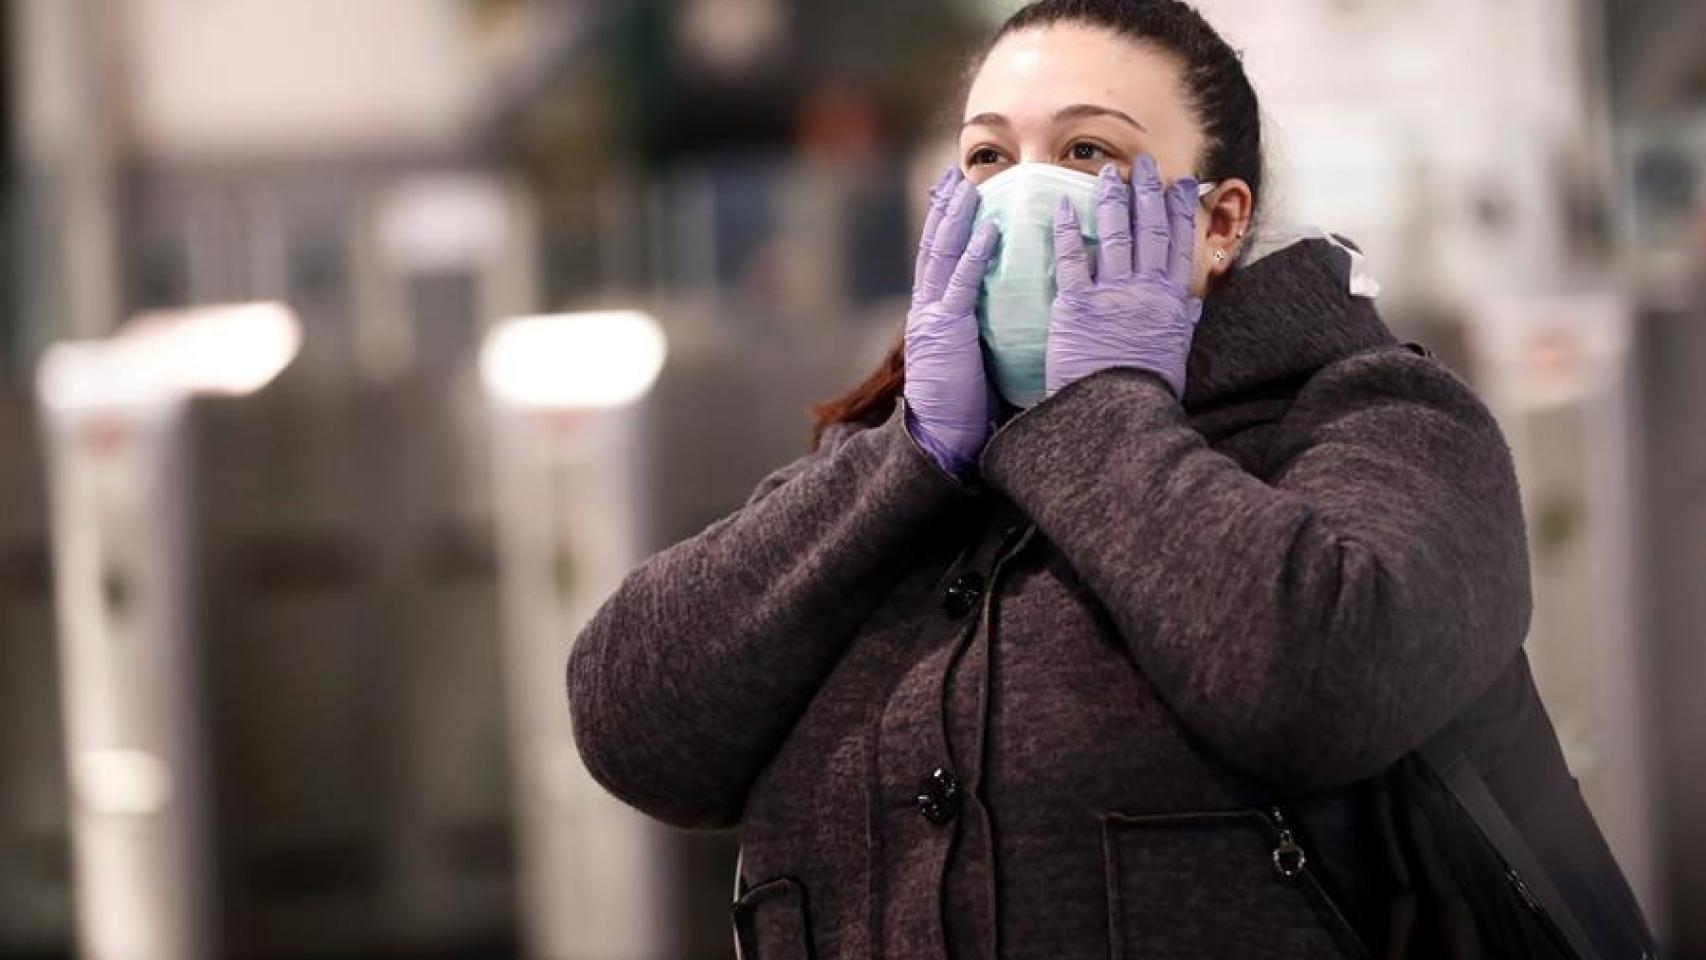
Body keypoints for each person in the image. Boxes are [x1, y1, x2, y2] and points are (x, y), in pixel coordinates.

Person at [568, 1, 1540, 956]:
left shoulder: (1384, 421)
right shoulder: (896, 468)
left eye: (1085, 154)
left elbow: (1323, 682)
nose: (1022, 192)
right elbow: (632, 722)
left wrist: (1093, 410)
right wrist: (907, 454)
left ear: (1217, 221)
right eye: (987, 157)